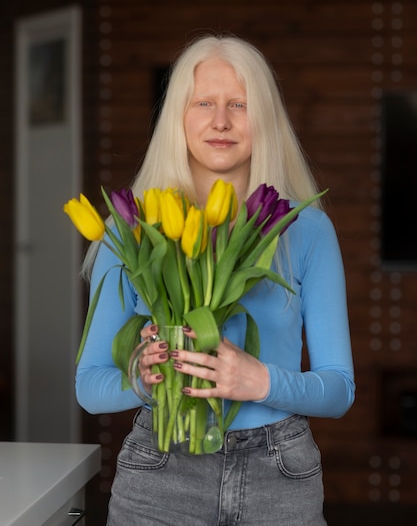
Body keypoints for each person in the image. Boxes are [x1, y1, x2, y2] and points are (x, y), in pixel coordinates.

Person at [76, 34, 355, 526]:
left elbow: (339, 389)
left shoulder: (306, 229)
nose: (220, 120)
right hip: (161, 470)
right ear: (178, 117)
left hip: (280, 475)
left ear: (264, 118)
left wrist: (259, 380)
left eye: (239, 104)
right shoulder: (134, 228)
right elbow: (90, 386)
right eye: (203, 102)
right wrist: (143, 377)